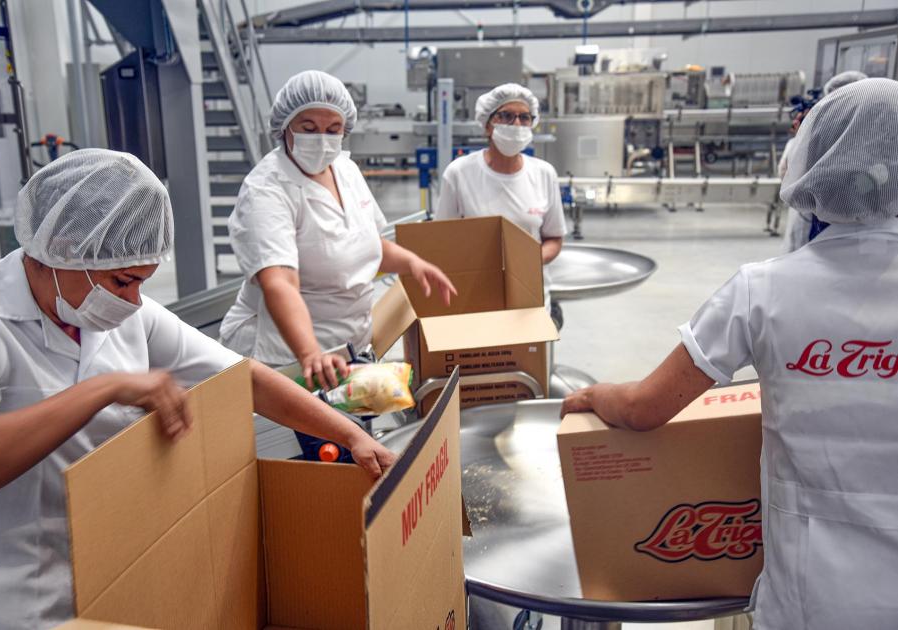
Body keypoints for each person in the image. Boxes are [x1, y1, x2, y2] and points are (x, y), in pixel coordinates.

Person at [0, 149, 396, 629]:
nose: (134, 300)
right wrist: (102, 389)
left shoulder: (122, 314)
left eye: (142, 282)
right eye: (122, 281)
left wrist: (351, 436)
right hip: (15, 604)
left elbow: (244, 379)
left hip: (117, 580)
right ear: (60, 247)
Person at [561, 79, 898, 629]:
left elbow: (646, 408)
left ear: (814, 160)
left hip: (810, 600)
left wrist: (598, 393)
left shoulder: (762, 290)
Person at [221, 70, 456, 390]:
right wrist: (309, 352)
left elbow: (367, 244)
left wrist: (413, 263)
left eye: (333, 129)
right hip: (286, 358)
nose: (321, 139)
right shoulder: (267, 189)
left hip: (346, 348)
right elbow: (279, 282)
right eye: (308, 128)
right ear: (284, 127)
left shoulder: (346, 170)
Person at [435, 83, 567, 318]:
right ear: (488, 125)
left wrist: (526, 261)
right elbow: (442, 241)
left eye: (524, 117)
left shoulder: (544, 173)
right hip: (474, 299)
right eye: (506, 116)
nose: (516, 124)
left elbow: (554, 238)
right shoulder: (459, 173)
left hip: (529, 299)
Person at [780, 70, 867, 252]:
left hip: (819, 226)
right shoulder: (873, 138)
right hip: (862, 236)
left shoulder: (818, 134)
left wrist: (802, 136)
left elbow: (786, 177)